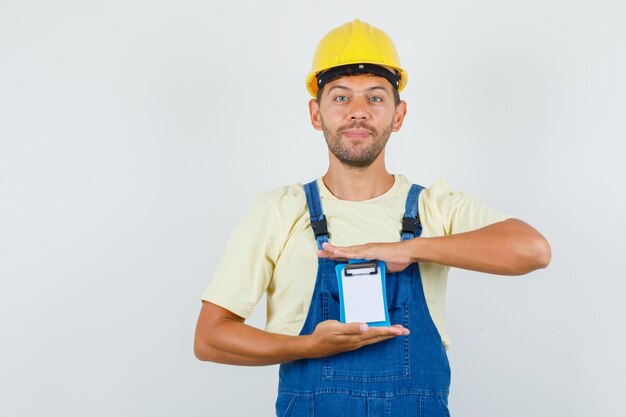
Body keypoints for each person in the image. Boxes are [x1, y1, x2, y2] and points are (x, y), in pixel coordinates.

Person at [194, 19, 551, 417]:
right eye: (342, 98)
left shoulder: (436, 207)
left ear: (398, 115)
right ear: (316, 113)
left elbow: (532, 250)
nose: (359, 112)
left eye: (376, 98)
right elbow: (210, 338)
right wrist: (308, 346)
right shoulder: (279, 211)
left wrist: (409, 249)